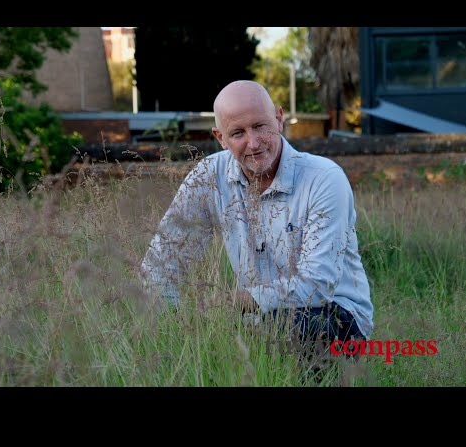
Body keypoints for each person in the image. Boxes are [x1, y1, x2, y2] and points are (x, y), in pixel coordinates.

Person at [141, 80, 373, 363]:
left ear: (279, 118)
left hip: (335, 319)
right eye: (238, 132)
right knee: (214, 351)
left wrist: (236, 302)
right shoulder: (208, 177)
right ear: (220, 137)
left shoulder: (324, 178)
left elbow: (317, 285)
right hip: (258, 322)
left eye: (261, 126)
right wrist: (173, 322)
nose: (253, 143)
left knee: (298, 330)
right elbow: (162, 262)